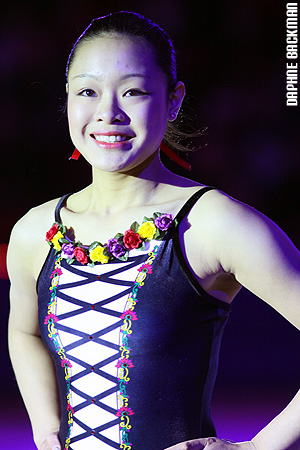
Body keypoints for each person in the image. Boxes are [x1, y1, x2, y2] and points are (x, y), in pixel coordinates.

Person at [7, 11, 300, 450]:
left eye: (134, 91)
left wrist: (260, 447)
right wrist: (46, 425)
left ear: (174, 100)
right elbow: (24, 331)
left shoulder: (214, 224)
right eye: (87, 91)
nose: (108, 113)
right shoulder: (34, 230)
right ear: (67, 98)